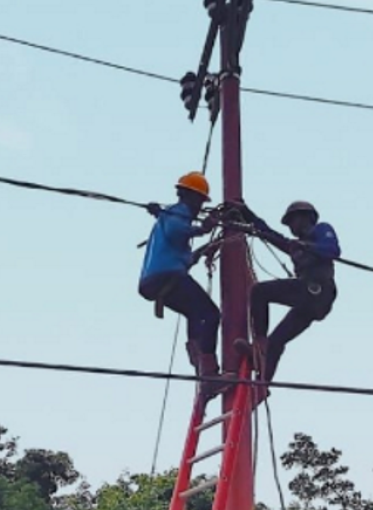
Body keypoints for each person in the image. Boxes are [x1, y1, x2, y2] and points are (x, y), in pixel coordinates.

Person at [139, 171, 227, 399]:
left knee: (195, 313)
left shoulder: (168, 217)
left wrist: (207, 246)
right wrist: (204, 229)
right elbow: (179, 233)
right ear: (191, 197)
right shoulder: (178, 214)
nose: (199, 208)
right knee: (211, 314)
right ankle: (209, 371)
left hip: (156, 280)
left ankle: (201, 367)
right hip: (166, 277)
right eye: (199, 201)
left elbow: (183, 256)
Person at [241, 200, 341, 384]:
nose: (291, 227)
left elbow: (333, 250)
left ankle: (259, 345)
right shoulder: (295, 245)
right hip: (308, 301)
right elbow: (268, 233)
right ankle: (263, 384)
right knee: (277, 341)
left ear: (305, 218)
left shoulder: (320, 230)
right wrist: (247, 214)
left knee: (260, 292)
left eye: (292, 221)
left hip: (318, 291)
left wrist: (307, 247)